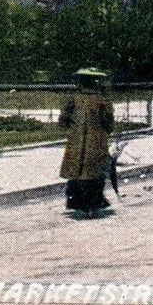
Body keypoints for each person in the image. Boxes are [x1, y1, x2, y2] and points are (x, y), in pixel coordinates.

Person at [59, 68, 115, 217]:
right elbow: (108, 122)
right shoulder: (102, 100)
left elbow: (63, 119)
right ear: (95, 82)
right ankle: (93, 202)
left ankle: (75, 201)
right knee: (94, 172)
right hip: (95, 141)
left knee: (75, 171)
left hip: (75, 142)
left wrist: (71, 132)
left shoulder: (73, 98)